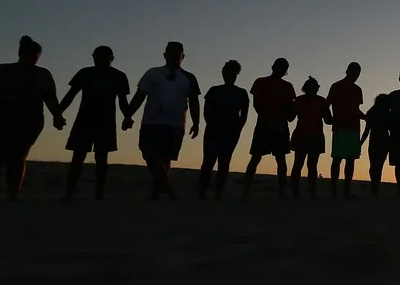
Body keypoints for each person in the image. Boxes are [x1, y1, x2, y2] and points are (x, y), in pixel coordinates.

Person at [0, 36, 65, 201]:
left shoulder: (39, 74)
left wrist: (57, 116)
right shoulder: (5, 71)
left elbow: (50, 98)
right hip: (2, 117)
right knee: (1, 157)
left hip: (26, 119)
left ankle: (6, 194)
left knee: (10, 157)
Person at [123, 41, 201, 200]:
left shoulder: (188, 78)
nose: (174, 58)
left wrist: (196, 122)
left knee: (166, 157)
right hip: (151, 122)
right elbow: (139, 96)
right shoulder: (153, 73)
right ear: (164, 55)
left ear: (183, 57)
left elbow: (194, 102)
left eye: (177, 56)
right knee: (149, 153)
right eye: (170, 55)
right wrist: (128, 115)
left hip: (175, 124)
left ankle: (159, 190)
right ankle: (166, 186)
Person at [59, 46, 131, 200]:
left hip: (105, 121)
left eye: (103, 60)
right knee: (78, 156)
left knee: (101, 158)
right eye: (97, 59)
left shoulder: (118, 76)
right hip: (84, 119)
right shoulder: (85, 73)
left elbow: (123, 101)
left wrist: (127, 117)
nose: (100, 63)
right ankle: (70, 190)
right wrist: (58, 112)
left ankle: (99, 191)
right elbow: (71, 95)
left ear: (111, 59)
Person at [244, 58, 295, 199]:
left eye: (284, 68)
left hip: (279, 126)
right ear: (273, 67)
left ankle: (282, 192)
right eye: (280, 67)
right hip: (265, 125)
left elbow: (290, 109)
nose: (282, 70)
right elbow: (257, 105)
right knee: (256, 157)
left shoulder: (288, 87)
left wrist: (287, 115)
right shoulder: (261, 82)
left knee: (281, 159)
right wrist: (271, 116)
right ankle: (246, 191)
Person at [198, 61, 249, 199]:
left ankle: (218, 193)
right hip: (213, 130)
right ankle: (202, 192)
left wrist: (237, 129)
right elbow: (206, 111)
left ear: (236, 75)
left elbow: (244, 115)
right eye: (226, 71)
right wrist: (212, 124)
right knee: (208, 162)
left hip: (230, 132)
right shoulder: (214, 90)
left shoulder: (241, 93)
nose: (229, 75)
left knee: (224, 162)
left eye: (232, 72)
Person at [327, 62, 364, 197]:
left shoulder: (357, 90)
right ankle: (334, 189)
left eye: (358, 73)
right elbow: (327, 103)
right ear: (347, 71)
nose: (356, 75)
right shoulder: (336, 86)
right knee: (337, 158)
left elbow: (356, 109)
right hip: (340, 127)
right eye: (354, 72)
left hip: (354, 128)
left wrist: (365, 117)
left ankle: (346, 189)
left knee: (351, 159)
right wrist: (329, 119)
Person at [290, 77, 330, 198]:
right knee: (300, 164)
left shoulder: (321, 101)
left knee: (311, 165)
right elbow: (291, 116)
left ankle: (310, 192)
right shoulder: (299, 100)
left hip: (314, 136)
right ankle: (296, 192)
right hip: (303, 135)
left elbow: (328, 119)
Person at [360, 93, 392, 196]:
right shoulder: (387, 113)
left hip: (377, 141)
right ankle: (375, 187)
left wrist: (360, 143)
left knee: (374, 166)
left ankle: (374, 186)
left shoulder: (374, 112)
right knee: (378, 166)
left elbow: (366, 130)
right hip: (382, 141)